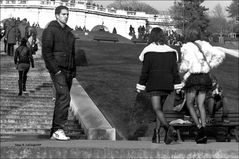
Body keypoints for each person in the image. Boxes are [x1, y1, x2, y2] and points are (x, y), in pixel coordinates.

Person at [179, 27, 225, 144]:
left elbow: (185, 65)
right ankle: (203, 128)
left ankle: (199, 128)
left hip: (194, 78)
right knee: (201, 105)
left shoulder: (187, 47)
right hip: (205, 78)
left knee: (190, 104)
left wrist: (180, 69)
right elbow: (220, 54)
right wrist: (209, 65)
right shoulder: (206, 45)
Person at [136, 27, 181, 144]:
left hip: (154, 83)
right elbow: (175, 71)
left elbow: (145, 71)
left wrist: (140, 85)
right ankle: (156, 135)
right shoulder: (171, 52)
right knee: (159, 110)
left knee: (156, 109)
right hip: (167, 83)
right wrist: (177, 85)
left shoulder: (148, 51)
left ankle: (169, 129)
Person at [42, 5, 76, 141]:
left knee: (62, 100)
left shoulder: (69, 33)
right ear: (57, 15)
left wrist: (73, 71)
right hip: (58, 70)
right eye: (63, 14)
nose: (66, 16)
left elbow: (72, 54)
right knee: (64, 97)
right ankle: (58, 129)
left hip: (68, 70)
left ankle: (54, 131)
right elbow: (46, 52)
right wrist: (55, 70)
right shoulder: (51, 30)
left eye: (67, 14)